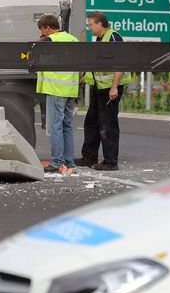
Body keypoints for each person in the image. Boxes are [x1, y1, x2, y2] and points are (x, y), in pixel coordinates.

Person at [77, 12, 124, 171]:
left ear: (99, 23)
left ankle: (111, 162)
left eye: (90, 25)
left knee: (108, 125)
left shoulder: (113, 37)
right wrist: (86, 77)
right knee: (92, 122)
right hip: (100, 88)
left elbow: (120, 63)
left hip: (110, 89)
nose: (89, 28)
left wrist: (114, 87)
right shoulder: (99, 38)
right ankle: (89, 157)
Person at [35, 14, 79, 175]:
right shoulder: (73, 39)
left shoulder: (51, 40)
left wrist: (41, 38)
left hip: (56, 89)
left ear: (47, 28)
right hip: (70, 90)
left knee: (55, 127)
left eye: (42, 30)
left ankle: (57, 162)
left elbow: (34, 46)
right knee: (66, 126)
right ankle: (70, 162)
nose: (43, 34)